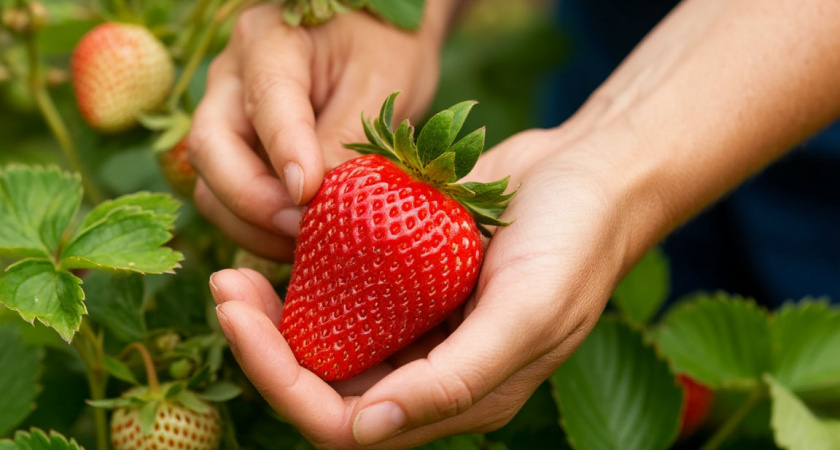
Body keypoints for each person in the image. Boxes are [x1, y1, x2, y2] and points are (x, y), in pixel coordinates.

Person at [188, 0, 840, 447]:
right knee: (656, 360)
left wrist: (617, 156)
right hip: (621, 59)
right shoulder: (425, 226)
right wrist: (387, 8)